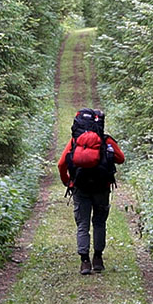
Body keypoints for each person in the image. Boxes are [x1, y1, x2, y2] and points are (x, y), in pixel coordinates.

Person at [57, 108, 125, 275]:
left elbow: (61, 164)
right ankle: (98, 259)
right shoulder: (104, 140)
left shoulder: (75, 141)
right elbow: (121, 158)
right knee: (100, 222)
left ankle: (85, 262)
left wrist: (68, 181)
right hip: (101, 188)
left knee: (82, 225)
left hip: (80, 188)